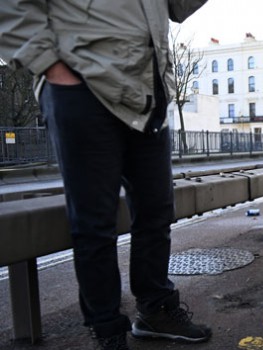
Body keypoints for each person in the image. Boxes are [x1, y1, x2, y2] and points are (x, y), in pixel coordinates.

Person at [0, 1, 212, 349]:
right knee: (95, 222)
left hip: (146, 89)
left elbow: (177, 6)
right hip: (84, 86)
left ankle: (155, 309)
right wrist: (50, 66)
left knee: (157, 211)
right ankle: (108, 329)